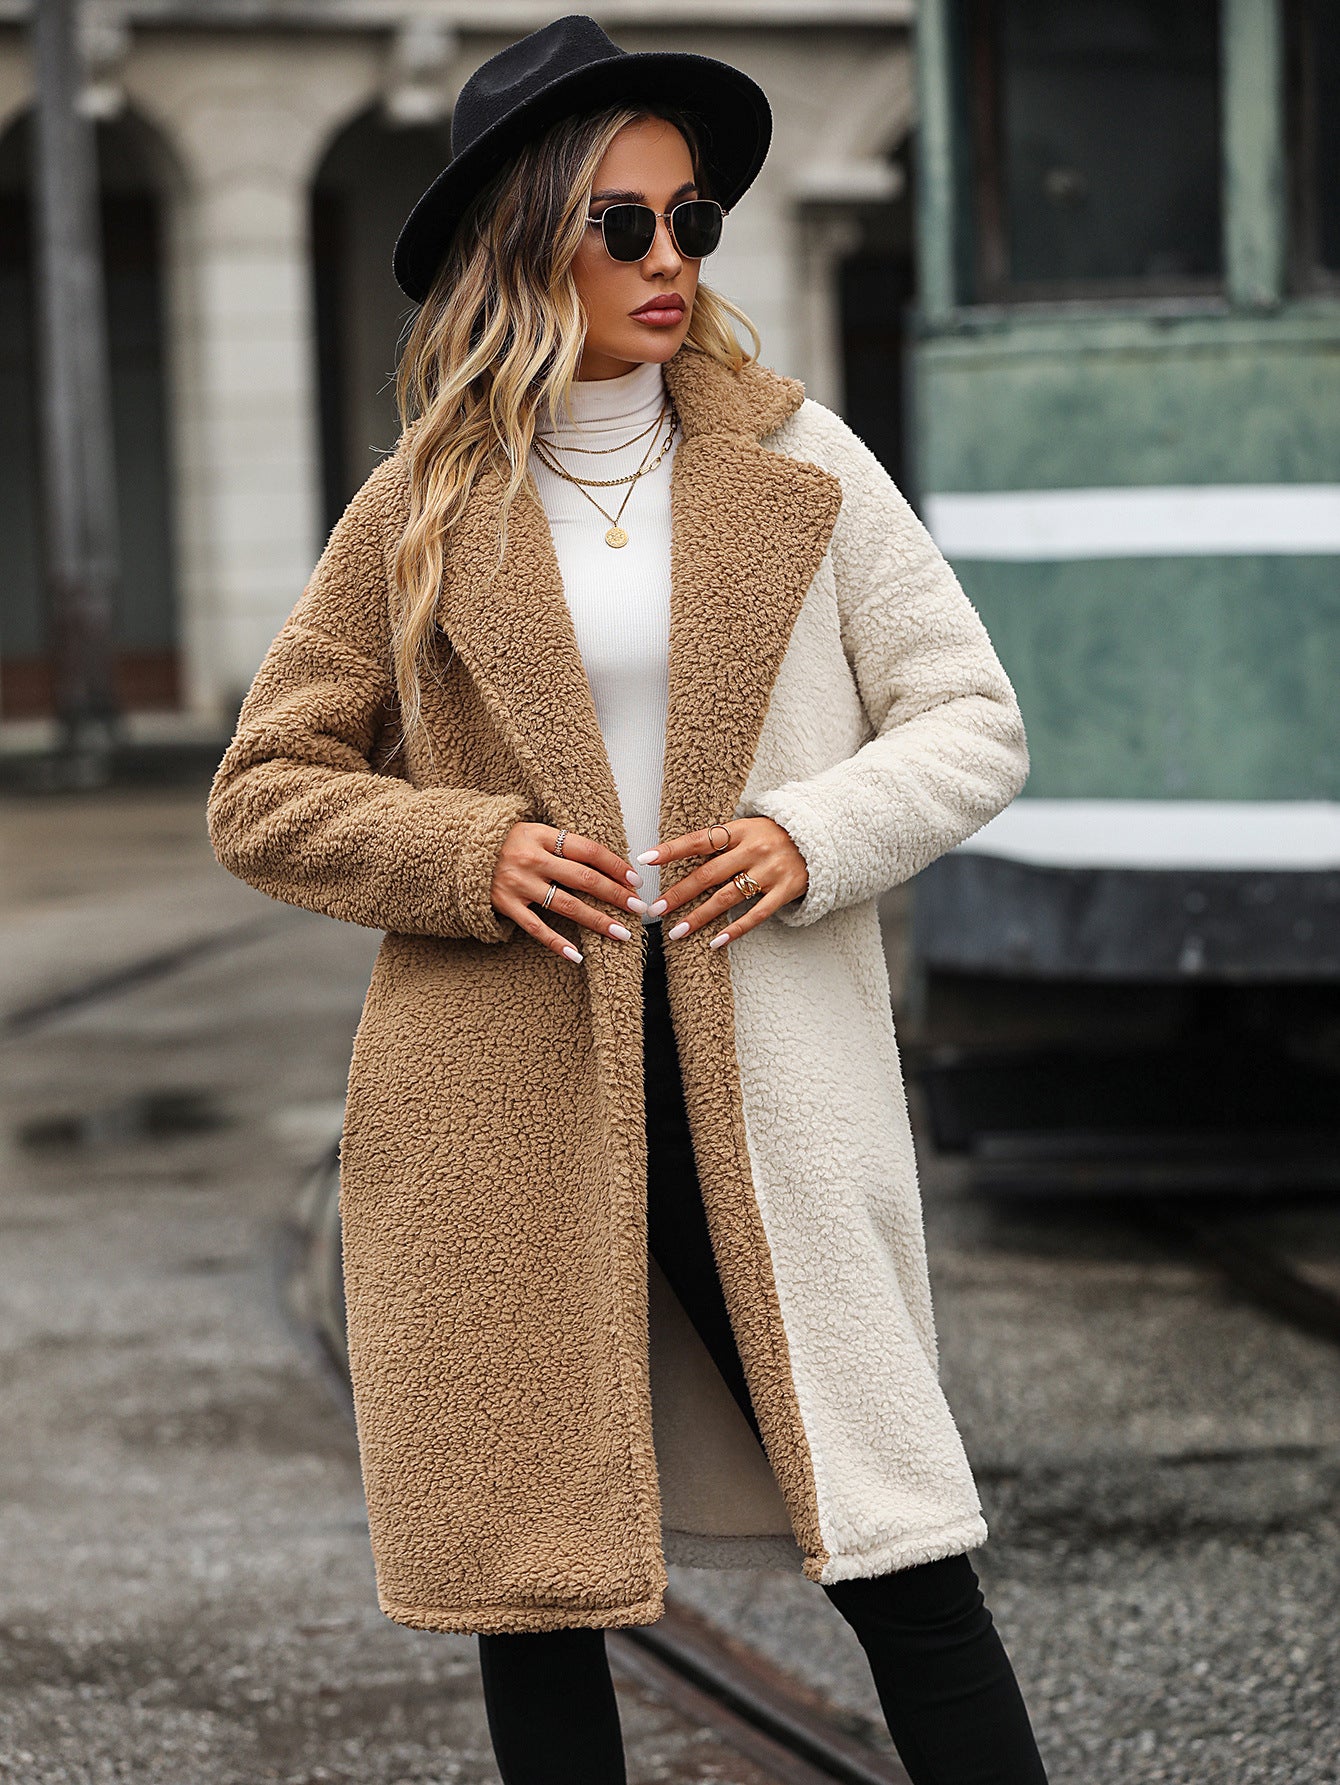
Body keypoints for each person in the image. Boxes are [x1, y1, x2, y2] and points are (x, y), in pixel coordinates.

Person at [207, 15, 1047, 1783]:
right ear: (525, 241)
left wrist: (813, 831)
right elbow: (265, 790)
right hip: (502, 1102)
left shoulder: (801, 463)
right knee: (542, 1589)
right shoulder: (420, 506)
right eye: (624, 224)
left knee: (904, 1547)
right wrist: (467, 847)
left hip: (770, 1081)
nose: (671, 260)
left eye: (693, 225)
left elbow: (973, 720)